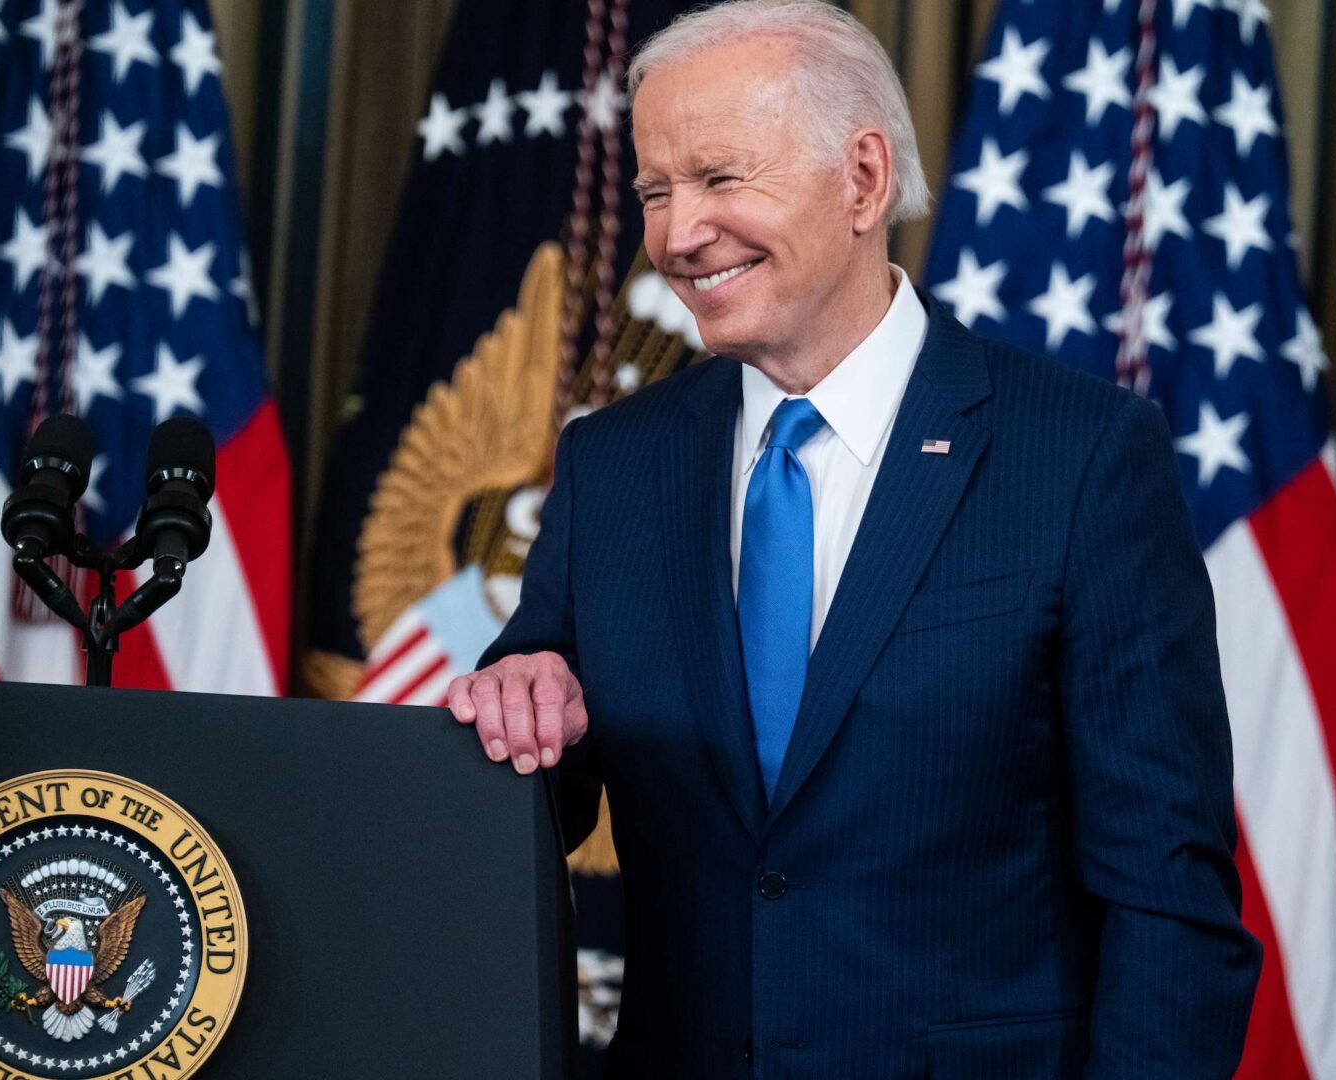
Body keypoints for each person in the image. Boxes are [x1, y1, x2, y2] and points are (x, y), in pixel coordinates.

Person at [447, 1, 1260, 1074]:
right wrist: (520, 694)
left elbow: (1169, 897)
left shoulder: (1080, 456)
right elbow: (547, 763)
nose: (678, 234)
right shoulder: (614, 464)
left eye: (721, 180)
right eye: (654, 189)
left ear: (864, 180)